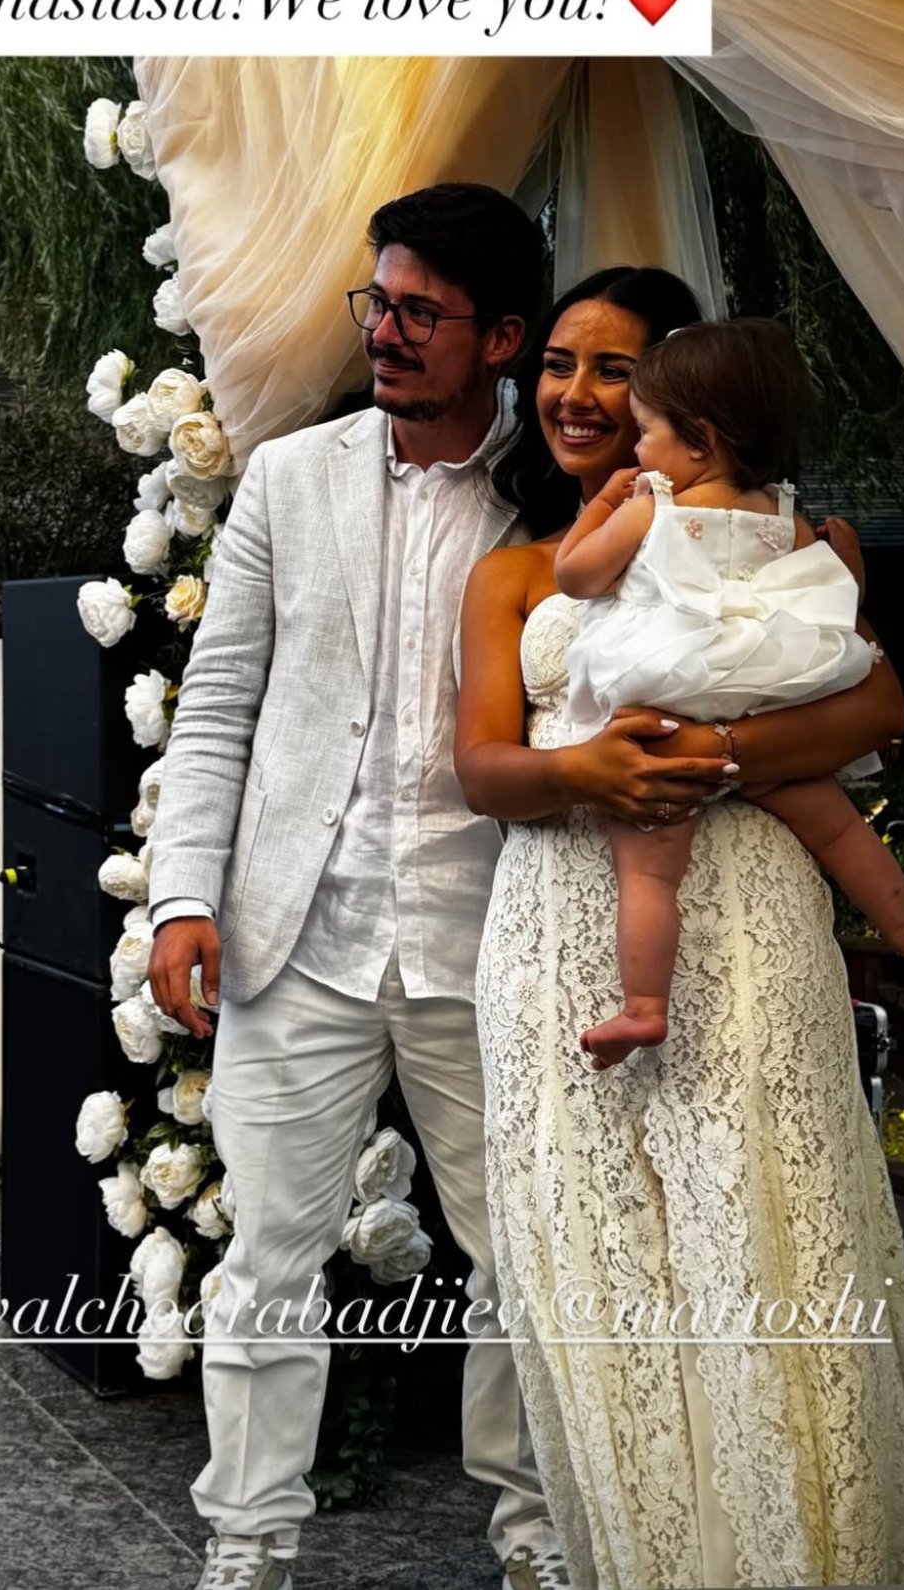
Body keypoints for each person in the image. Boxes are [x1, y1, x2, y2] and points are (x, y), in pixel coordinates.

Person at [148, 190, 729, 1590]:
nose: (387, 333)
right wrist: (180, 896)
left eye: (420, 312)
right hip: (300, 929)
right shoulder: (289, 479)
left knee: (521, 1257)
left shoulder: (564, 498)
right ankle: (247, 1542)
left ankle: (533, 1539)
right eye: (379, 304)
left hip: (498, 936)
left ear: (502, 337)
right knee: (267, 1256)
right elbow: (218, 703)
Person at [455, 267, 904, 1589]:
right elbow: (481, 770)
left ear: (686, 398)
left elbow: (876, 708)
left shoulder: (801, 537)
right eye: (558, 363)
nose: (578, 394)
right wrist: (585, 771)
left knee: (771, 1229)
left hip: (747, 919)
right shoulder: (514, 573)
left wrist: (713, 755)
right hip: (561, 928)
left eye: (615, 370)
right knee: (601, 1264)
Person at [554, 317, 904, 1068]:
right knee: (839, 830)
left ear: (698, 442)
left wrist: (603, 505)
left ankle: (644, 1008)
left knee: (648, 868)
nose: (636, 450)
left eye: (646, 431)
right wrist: (851, 573)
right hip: (766, 709)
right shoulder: (780, 514)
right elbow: (829, 599)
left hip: (672, 716)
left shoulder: (654, 506)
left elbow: (575, 577)